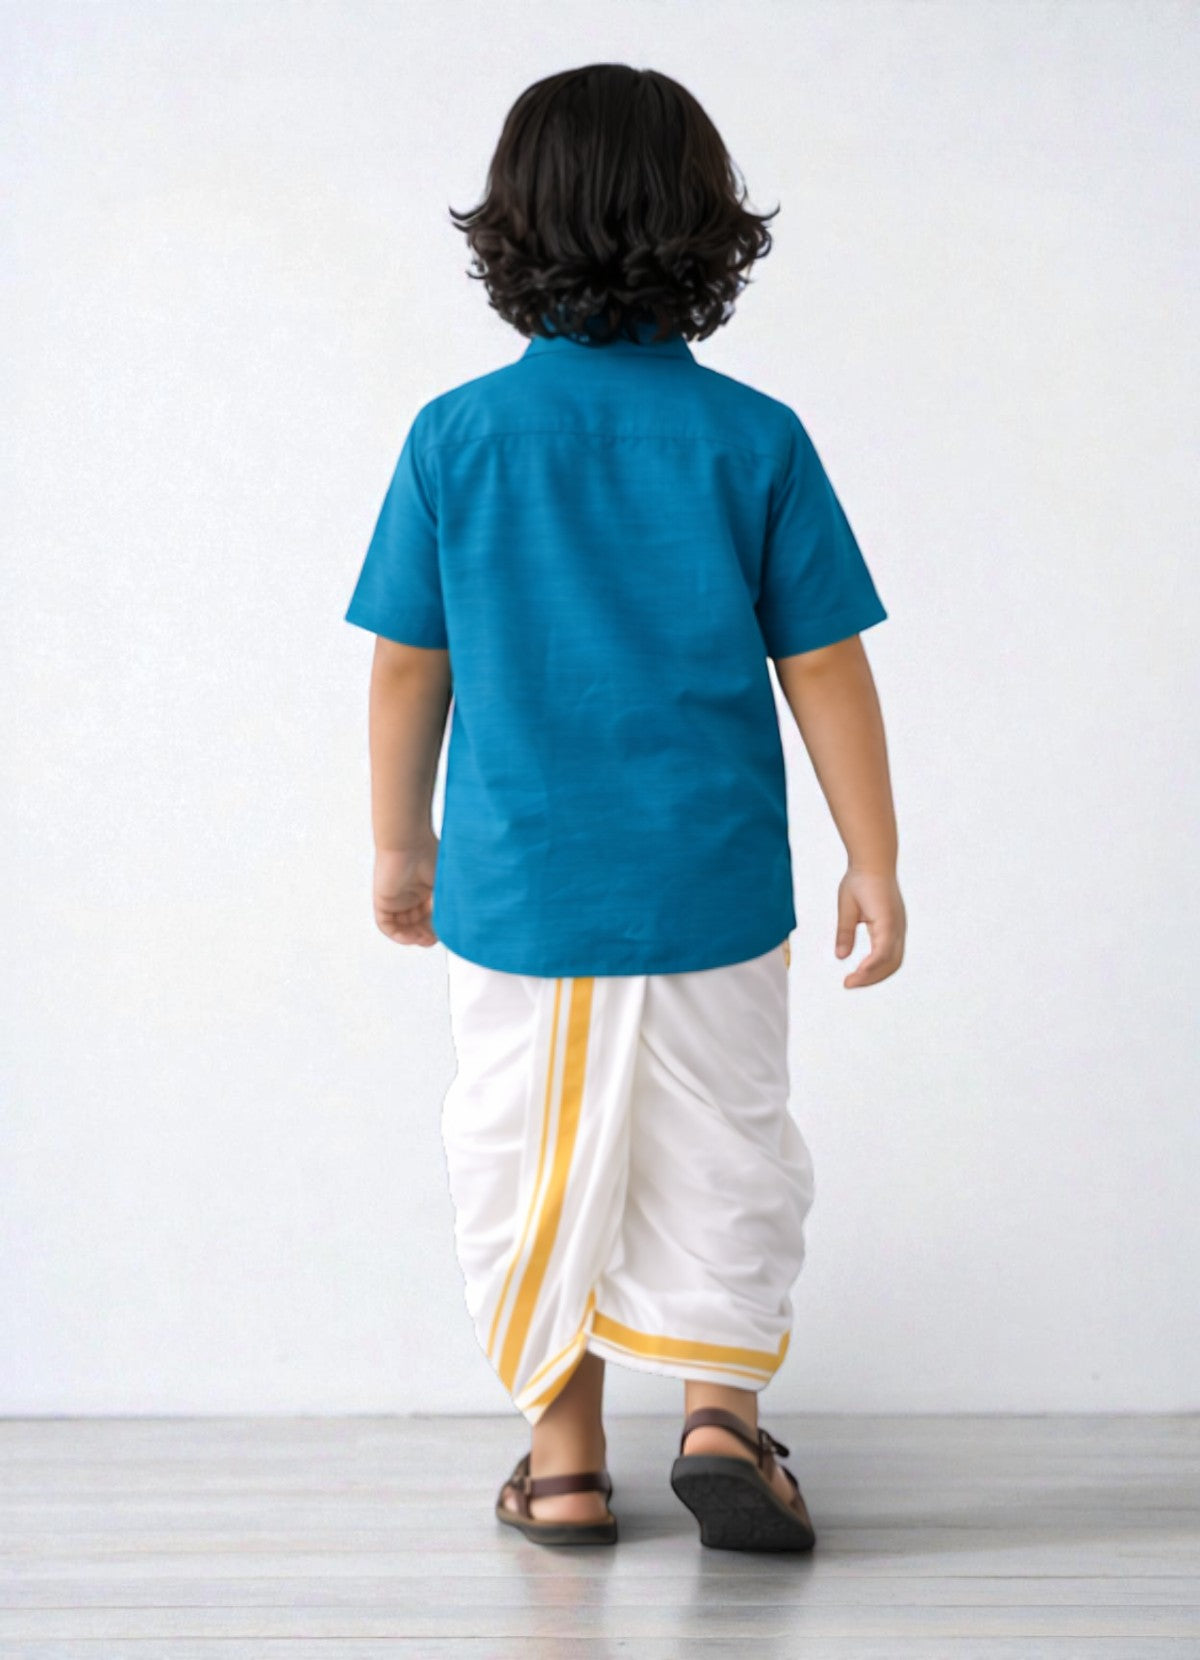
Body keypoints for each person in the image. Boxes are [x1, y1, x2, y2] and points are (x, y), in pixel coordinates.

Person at [344, 62, 906, 1553]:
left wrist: (401, 844)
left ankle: (568, 1463)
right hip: (712, 889)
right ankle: (721, 1420)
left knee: (525, 1153)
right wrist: (874, 858)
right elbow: (824, 664)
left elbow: (408, 667)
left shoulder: (457, 437)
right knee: (728, 1141)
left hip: (521, 893)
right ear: (710, 228)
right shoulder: (754, 438)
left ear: (510, 228)